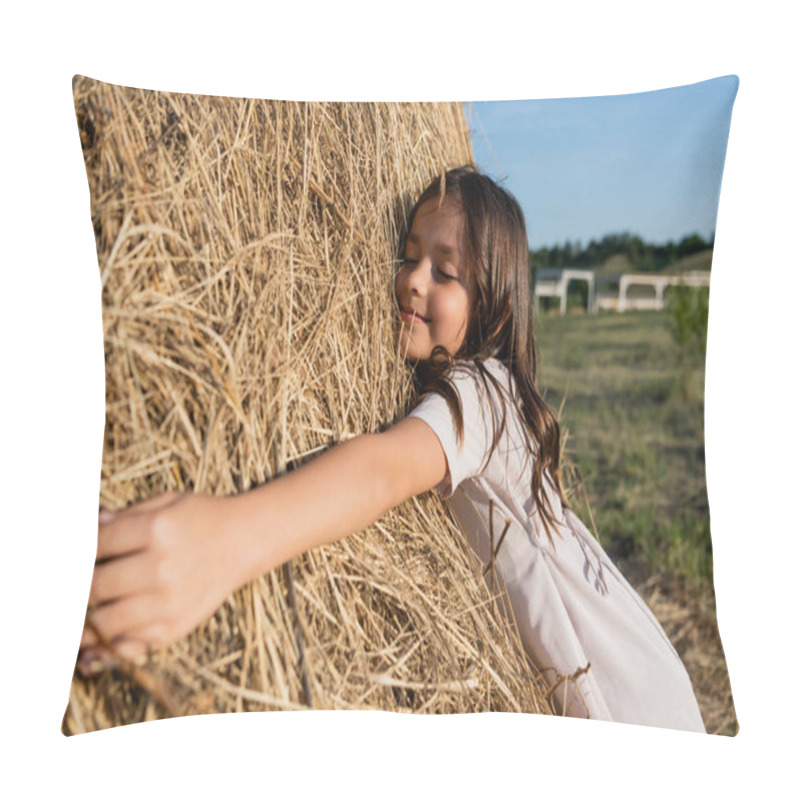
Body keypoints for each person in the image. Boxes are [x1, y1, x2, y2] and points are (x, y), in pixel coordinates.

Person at [79, 166, 705, 732]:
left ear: (491, 309)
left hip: (635, 712)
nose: (411, 282)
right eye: (408, 256)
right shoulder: (497, 396)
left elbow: (384, 468)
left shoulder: (481, 391)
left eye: (445, 271)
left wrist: (224, 539)